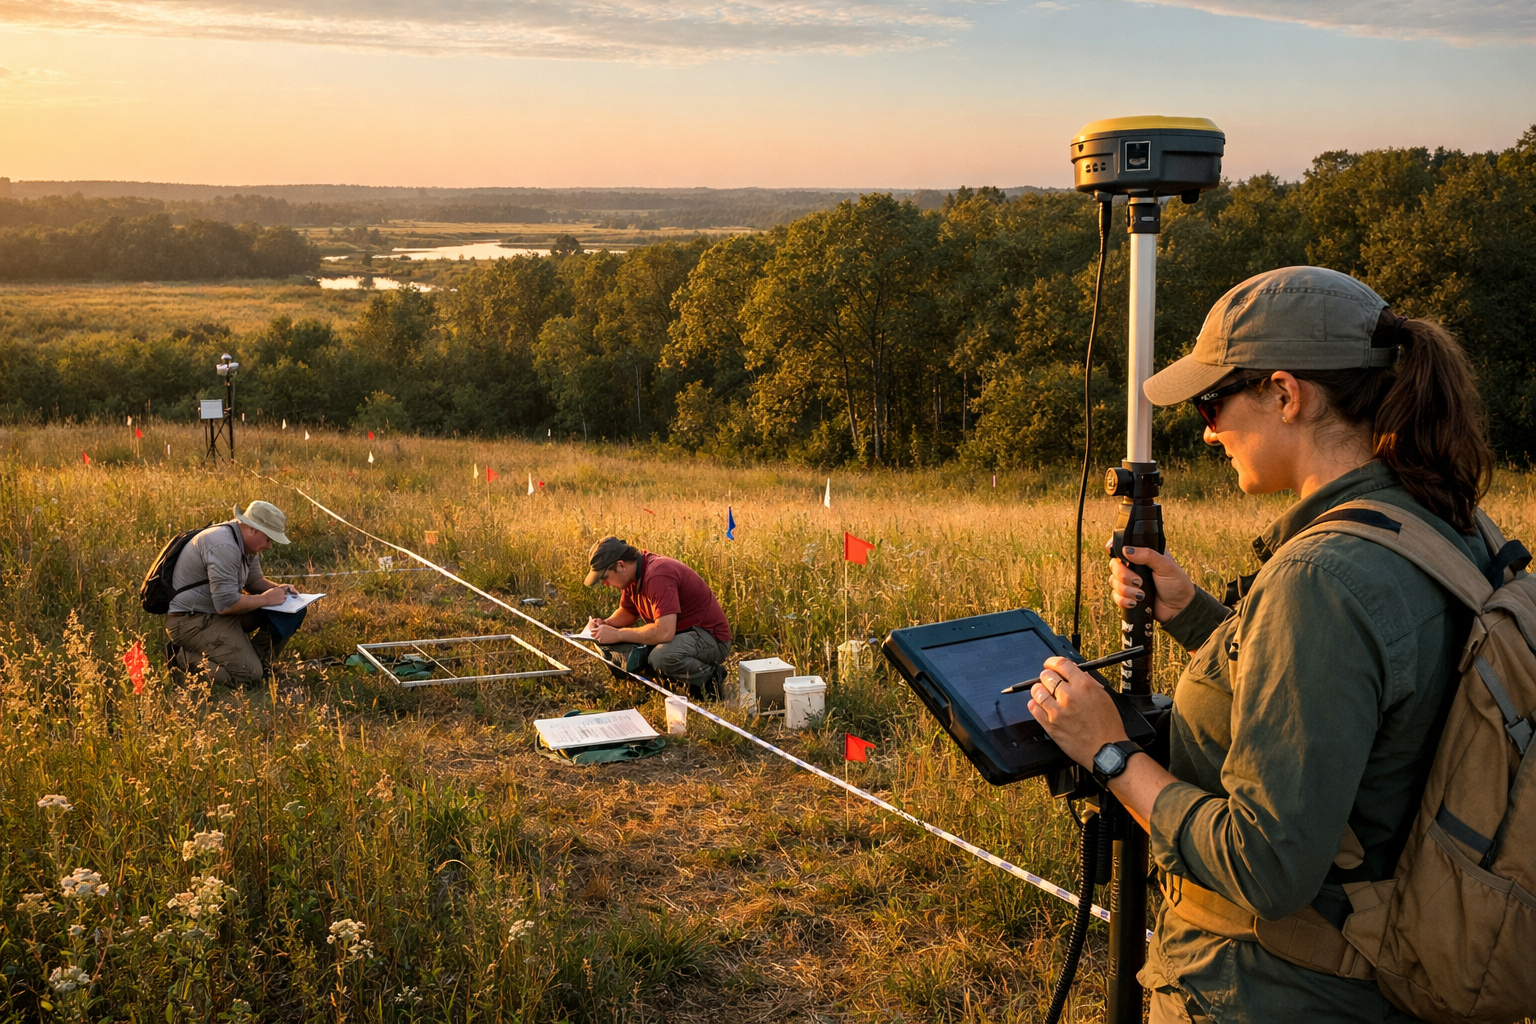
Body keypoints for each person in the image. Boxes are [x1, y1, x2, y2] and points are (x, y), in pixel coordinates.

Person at [1024, 266, 1495, 1023]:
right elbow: (1356, 709)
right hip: (1383, 972)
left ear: (1285, 393)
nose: (1208, 429)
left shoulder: (1320, 578)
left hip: (1271, 990)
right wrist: (1195, 614)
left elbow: (1266, 864)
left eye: (1214, 402)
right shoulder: (1441, 523)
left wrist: (1109, 752)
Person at [166, 500, 302, 687]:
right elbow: (226, 604)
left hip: (216, 614)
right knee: (250, 676)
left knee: (292, 610)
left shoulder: (244, 544)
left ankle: (261, 662)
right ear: (253, 529)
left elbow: (253, 582)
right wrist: (266, 599)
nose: (270, 546)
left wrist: (281, 590)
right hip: (193, 621)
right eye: (269, 539)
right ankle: (181, 658)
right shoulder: (224, 545)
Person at [583, 536, 732, 697]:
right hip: (681, 633)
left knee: (661, 657)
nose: (605, 583)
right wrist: (606, 623)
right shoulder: (632, 577)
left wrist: (617, 634)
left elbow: (664, 632)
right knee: (625, 648)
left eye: (604, 577)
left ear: (621, 565)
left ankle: (710, 679)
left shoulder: (657, 575)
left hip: (710, 637)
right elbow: (628, 612)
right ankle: (674, 681)